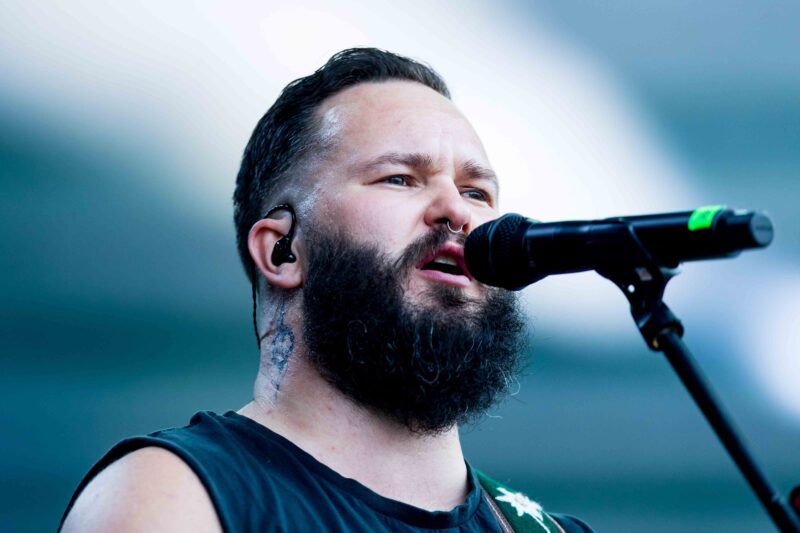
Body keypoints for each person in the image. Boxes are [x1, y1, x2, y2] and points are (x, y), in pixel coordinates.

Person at [60, 48, 593, 532]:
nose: (456, 210)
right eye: (399, 178)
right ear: (283, 251)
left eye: (475, 191)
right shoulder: (176, 497)